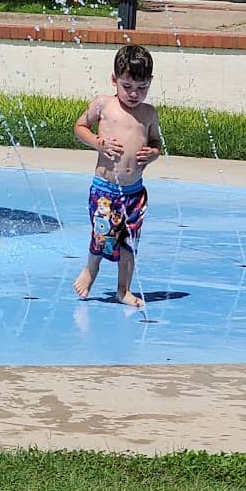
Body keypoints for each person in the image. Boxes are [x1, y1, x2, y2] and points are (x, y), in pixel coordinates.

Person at [72, 44, 162, 308]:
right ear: (114, 80)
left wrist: (153, 153)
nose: (134, 94)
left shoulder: (149, 113)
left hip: (135, 193)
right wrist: (98, 143)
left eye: (142, 87)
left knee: (129, 243)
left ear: (150, 83)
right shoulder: (104, 105)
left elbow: (157, 142)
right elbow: (79, 127)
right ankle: (91, 270)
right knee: (103, 236)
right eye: (127, 86)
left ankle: (123, 290)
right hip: (105, 190)